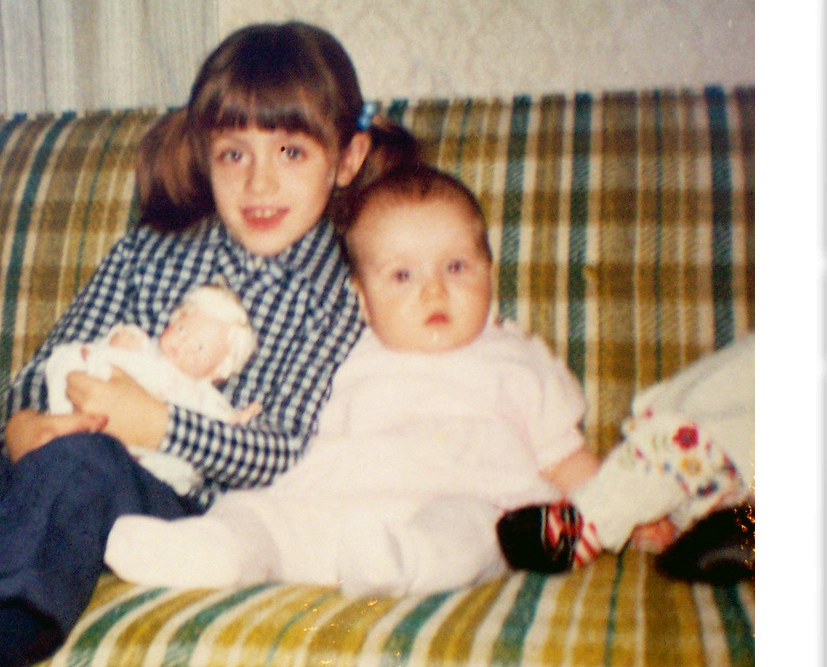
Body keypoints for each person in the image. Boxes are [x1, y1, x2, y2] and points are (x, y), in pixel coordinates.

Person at [0, 21, 422, 667]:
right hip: (55, 469)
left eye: (291, 152)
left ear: (347, 158)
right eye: (234, 153)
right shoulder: (153, 248)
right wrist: (29, 422)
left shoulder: (341, 291)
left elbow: (289, 448)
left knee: (84, 464)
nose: (259, 181)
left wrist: (161, 424)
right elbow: (46, 364)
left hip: (188, 506)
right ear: (204, 155)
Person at [104, 163, 606, 596]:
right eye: (402, 276)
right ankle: (213, 552)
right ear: (363, 300)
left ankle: (405, 564)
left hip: (460, 496)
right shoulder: (348, 349)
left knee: (472, 529)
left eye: (455, 267)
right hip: (335, 504)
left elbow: (565, 458)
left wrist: (623, 509)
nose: (434, 290)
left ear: (488, 275)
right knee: (258, 515)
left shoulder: (518, 360)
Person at [496, 333, 754, 576]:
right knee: (688, 442)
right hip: (706, 432)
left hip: (725, 483)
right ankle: (596, 517)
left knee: (688, 458)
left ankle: (707, 531)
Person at [45, 283, 261, 495]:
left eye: (200, 347)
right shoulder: (145, 350)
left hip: (149, 462)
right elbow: (111, 360)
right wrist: (117, 341)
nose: (183, 344)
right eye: (181, 329)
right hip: (97, 426)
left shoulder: (204, 395)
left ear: (217, 371)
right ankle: (61, 422)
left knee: (180, 469)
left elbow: (221, 426)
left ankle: (146, 478)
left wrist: (238, 418)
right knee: (67, 356)